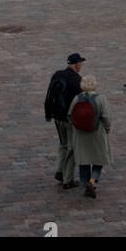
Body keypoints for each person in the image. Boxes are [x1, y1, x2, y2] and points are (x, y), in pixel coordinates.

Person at [44, 53, 85, 189]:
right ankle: (68, 179)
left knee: (63, 144)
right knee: (72, 148)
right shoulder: (77, 80)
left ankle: (60, 171)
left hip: (56, 115)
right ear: (77, 65)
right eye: (80, 64)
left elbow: (50, 94)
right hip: (69, 118)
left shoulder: (57, 74)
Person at [68, 74, 112, 199]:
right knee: (99, 158)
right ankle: (92, 181)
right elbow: (107, 118)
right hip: (97, 133)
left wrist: (76, 126)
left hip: (81, 134)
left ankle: (84, 183)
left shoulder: (77, 98)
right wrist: (107, 130)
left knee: (84, 159)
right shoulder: (101, 99)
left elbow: (70, 115)